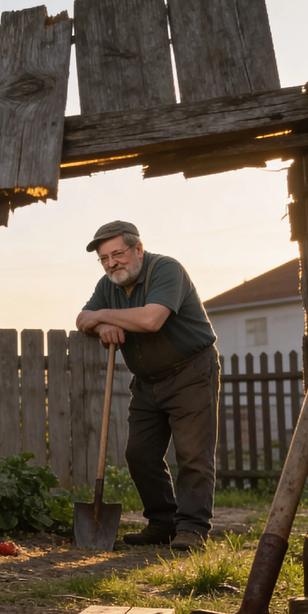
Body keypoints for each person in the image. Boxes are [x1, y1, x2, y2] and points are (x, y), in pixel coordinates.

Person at [75, 221, 219, 551]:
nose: (112, 263)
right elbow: (82, 319)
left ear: (137, 249)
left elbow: (151, 320)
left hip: (190, 373)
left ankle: (192, 530)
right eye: (104, 258)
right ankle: (163, 523)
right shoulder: (107, 285)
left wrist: (105, 317)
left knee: (192, 454)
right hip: (146, 381)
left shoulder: (166, 270)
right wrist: (100, 326)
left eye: (118, 254)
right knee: (139, 454)